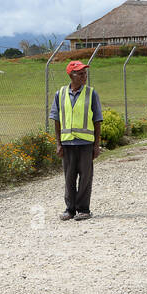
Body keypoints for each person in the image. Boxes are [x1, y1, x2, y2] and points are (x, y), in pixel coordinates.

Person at [49, 60, 103, 220]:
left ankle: (83, 209)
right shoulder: (60, 94)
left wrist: (96, 145)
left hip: (86, 143)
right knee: (69, 177)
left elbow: (97, 120)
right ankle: (70, 210)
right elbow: (56, 120)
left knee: (86, 177)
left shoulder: (91, 93)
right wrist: (58, 143)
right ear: (71, 75)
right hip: (67, 144)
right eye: (80, 73)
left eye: (84, 73)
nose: (84, 76)